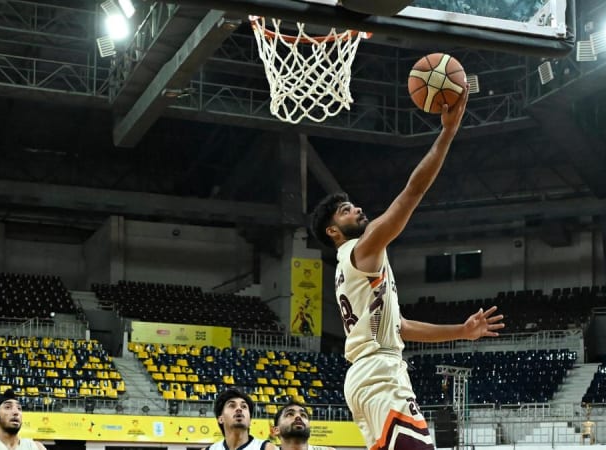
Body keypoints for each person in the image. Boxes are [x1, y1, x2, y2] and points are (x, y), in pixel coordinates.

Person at [309, 86, 505, 450]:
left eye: (353, 204)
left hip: (370, 374)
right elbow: (411, 194)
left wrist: (461, 331)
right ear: (333, 231)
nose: (357, 209)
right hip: (379, 374)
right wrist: (447, 132)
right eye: (345, 210)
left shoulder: (352, 267)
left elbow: (400, 327)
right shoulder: (362, 249)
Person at [204, 388, 277, 450]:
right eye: (232, 406)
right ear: (220, 419)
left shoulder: (267, 448)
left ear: (250, 420)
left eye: (244, 406)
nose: (239, 409)